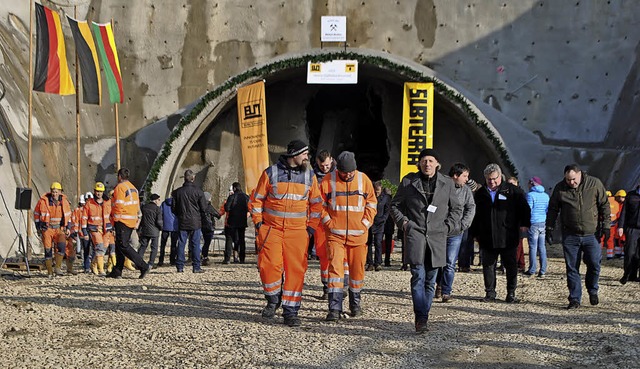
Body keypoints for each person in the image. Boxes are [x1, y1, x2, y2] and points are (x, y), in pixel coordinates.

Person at [251, 139, 323, 327]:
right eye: (304, 154)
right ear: (294, 155)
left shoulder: (310, 176)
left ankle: (291, 312)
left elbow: (317, 204)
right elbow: (256, 201)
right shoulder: (271, 173)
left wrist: (310, 228)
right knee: (269, 267)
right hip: (271, 230)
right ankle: (273, 300)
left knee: (296, 271)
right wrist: (259, 225)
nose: (307, 157)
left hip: (298, 232)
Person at [390, 149, 461, 333]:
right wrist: (405, 224)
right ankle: (421, 318)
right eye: (423, 161)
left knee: (430, 280)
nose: (427, 164)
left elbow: (456, 209)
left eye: (430, 161)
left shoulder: (447, 183)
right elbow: (395, 205)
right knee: (418, 277)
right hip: (416, 235)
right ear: (419, 164)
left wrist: (448, 226)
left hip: (437, 237)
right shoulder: (409, 181)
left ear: (437, 163)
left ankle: (424, 315)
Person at [320, 151, 377, 322]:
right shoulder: (327, 181)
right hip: (335, 236)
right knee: (335, 272)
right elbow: (319, 205)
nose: (349, 175)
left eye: (351, 172)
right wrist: (329, 223)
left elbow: (372, 204)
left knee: (357, 273)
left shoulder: (363, 180)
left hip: (358, 236)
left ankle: (355, 304)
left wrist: (365, 224)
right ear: (339, 170)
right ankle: (334, 309)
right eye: (345, 172)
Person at [546, 164, 608, 309]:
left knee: (594, 263)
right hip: (570, 234)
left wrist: (605, 226)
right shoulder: (560, 188)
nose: (571, 183)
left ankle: (592, 289)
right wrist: (549, 227)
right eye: (568, 180)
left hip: (591, 234)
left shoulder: (594, 184)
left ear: (580, 174)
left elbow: (604, 205)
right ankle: (574, 299)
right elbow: (553, 209)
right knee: (572, 267)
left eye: (573, 179)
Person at [471, 164, 530, 304]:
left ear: (500, 176)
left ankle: (511, 293)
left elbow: (524, 209)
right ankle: (490, 293)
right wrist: (474, 233)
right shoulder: (480, 194)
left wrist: (524, 224)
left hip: (508, 236)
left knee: (510, 265)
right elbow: (475, 215)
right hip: (487, 236)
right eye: (489, 179)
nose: (492, 182)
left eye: (494, 179)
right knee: (488, 266)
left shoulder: (513, 191)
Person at [436, 163, 476, 303]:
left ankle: (446, 291)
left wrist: (463, 225)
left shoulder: (466, 191)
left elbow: (471, 208)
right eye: (464, 176)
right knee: (436, 261)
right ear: (455, 175)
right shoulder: (440, 187)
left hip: (456, 232)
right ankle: (438, 284)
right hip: (439, 231)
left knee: (450, 262)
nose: (467, 179)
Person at [107, 168, 150, 279]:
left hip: (122, 220)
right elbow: (136, 205)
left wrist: (114, 220)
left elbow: (118, 206)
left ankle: (143, 266)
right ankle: (117, 270)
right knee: (119, 245)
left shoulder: (120, 188)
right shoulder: (133, 188)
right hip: (130, 220)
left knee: (123, 245)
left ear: (119, 177)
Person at [311, 149, 339, 299]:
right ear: (317, 163)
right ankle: (327, 287)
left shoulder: (340, 175)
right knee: (323, 254)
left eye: (327, 166)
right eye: (322, 166)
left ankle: (340, 286)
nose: (325, 168)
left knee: (338, 255)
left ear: (331, 160)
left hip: (336, 219)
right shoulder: (312, 177)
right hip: (320, 221)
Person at [34, 182, 75, 277]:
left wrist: (68, 227)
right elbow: (36, 214)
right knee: (48, 250)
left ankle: (57, 268)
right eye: (53, 192)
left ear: (60, 192)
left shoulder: (64, 202)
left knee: (61, 247)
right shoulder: (43, 201)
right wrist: (38, 226)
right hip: (47, 229)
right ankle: (49, 271)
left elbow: (68, 215)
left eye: (56, 192)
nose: (54, 194)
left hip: (59, 229)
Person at [172, 169, 208, 273]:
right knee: (195, 244)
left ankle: (180, 266)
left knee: (181, 243)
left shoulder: (177, 192)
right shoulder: (198, 191)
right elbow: (204, 208)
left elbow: (173, 209)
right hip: (195, 221)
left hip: (182, 220)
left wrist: (180, 214)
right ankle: (196, 266)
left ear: (184, 178)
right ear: (193, 178)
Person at [82, 182, 112, 277]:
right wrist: (84, 231)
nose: (99, 193)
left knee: (103, 249)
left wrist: (113, 227)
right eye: (97, 191)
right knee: (99, 247)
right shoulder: (89, 203)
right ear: (94, 191)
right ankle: (101, 270)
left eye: (100, 191)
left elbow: (111, 215)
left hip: (106, 229)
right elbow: (84, 218)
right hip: (94, 228)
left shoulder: (108, 202)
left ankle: (94, 265)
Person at [525, 176, 550, 277]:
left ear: (532, 184)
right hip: (542, 222)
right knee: (542, 247)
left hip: (533, 223)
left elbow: (528, 210)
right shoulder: (546, 196)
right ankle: (543, 270)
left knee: (533, 247)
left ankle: (532, 270)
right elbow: (547, 210)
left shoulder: (530, 195)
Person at [366, 181, 391, 271]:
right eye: (375, 191)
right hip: (370, 222)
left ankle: (378, 263)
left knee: (378, 243)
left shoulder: (385, 198)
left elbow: (387, 210)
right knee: (368, 243)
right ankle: (370, 263)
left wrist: (383, 219)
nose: (377, 193)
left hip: (380, 223)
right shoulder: (369, 196)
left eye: (378, 191)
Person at [458, 178, 481, 272]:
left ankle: (464, 264)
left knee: (465, 244)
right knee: (465, 244)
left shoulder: (466, 194)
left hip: (468, 222)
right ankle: (465, 265)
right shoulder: (471, 196)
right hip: (468, 223)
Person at [618, 184, 639, 284]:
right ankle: (627, 275)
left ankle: (635, 276)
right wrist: (620, 226)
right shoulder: (631, 196)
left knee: (638, 255)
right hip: (632, 228)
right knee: (630, 252)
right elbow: (624, 212)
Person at [224, 182, 250, 263]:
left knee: (229, 239)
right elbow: (250, 208)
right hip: (242, 221)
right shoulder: (246, 197)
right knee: (241, 240)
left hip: (232, 221)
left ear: (234, 188)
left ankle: (227, 258)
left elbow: (227, 208)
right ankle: (242, 258)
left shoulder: (232, 197)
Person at [138, 194, 163, 269]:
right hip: (154, 230)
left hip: (145, 229)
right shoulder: (157, 209)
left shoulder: (144, 207)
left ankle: (138, 263)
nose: (159, 201)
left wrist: (139, 228)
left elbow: (141, 218)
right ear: (155, 200)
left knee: (143, 246)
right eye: (158, 200)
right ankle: (150, 264)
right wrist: (161, 227)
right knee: (154, 248)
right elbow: (159, 221)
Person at [201, 192, 221, 266]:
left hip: (201, 226)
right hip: (209, 227)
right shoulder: (209, 206)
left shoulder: (199, 205)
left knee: (202, 242)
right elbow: (217, 215)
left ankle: (201, 256)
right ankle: (205, 256)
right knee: (207, 243)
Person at [158, 196, 179, 266]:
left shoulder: (164, 203)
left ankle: (161, 260)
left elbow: (160, 213)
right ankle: (172, 260)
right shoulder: (177, 203)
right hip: (175, 226)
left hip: (165, 226)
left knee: (163, 244)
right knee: (174, 244)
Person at [73, 195, 91, 273]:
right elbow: (76, 221)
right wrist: (76, 231)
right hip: (83, 233)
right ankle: (87, 266)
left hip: (91, 232)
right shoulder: (78, 211)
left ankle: (91, 266)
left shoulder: (90, 209)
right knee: (86, 250)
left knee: (91, 250)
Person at [603, 190, 619, 260]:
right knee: (611, 239)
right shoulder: (616, 203)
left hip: (603, 224)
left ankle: (598, 255)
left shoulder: (603, 202)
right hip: (613, 225)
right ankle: (610, 255)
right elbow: (618, 214)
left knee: (600, 239)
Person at [383, 188, 396, 267]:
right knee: (388, 243)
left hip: (384, 223)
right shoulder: (392, 202)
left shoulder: (383, 200)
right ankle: (387, 261)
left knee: (380, 243)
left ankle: (382, 260)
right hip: (389, 224)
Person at [613, 190, 627, 258]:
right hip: (618, 223)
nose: (616, 199)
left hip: (624, 224)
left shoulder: (625, 205)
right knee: (617, 239)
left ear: (620, 197)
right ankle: (618, 253)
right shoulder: (619, 204)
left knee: (623, 240)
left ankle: (623, 254)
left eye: (617, 197)